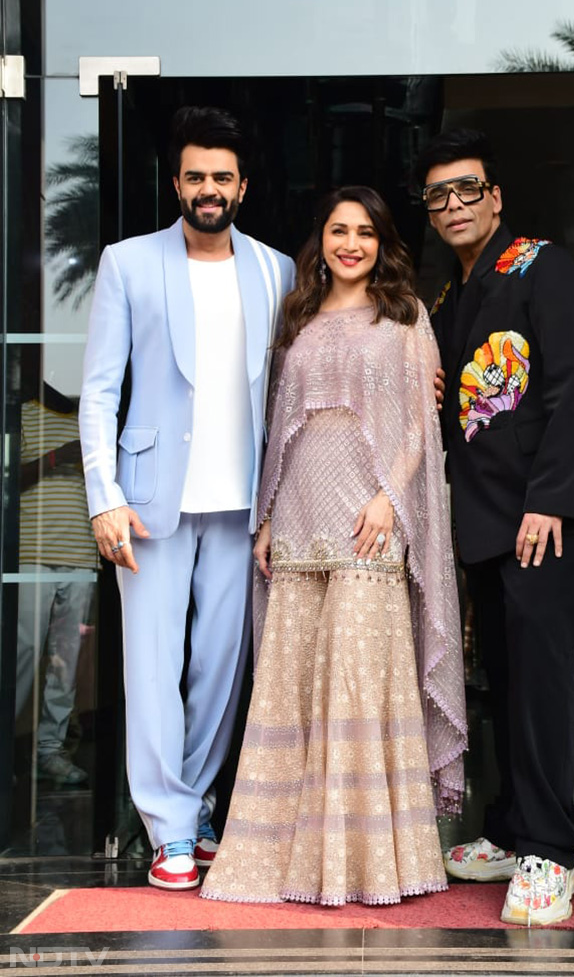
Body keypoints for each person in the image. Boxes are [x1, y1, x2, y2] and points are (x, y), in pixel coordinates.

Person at [200, 186, 468, 906]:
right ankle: (285, 860)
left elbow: (419, 424)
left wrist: (391, 496)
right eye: (337, 231)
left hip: (368, 518)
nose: (351, 243)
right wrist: (264, 520)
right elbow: (276, 428)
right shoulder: (298, 318)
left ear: (383, 243)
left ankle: (366, 865)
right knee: (292, 684)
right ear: (319, 242)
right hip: (296, 524)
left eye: (365, 232)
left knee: (354, 679)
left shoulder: (406, 318)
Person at [416, 128, 574, 926]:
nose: (454, 205)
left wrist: (548, 500)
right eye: (439, 195)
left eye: (468, 189)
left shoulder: (542, 266)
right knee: (505, 682)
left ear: (495, 196)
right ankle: (512, 829)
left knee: (542, 684)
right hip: (485, 523)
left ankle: (553, 849)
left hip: (549, 517)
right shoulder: (450, 295)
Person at [79, 107, 295, 890]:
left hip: (242, 505)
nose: (210, 189)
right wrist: (102, 497)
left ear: (243, 185)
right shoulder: (127, 263)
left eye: (223, 177)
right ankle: (168, 829)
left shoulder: (277, 270)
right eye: (196, 176)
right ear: (177, 182)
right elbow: (100, 392)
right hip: (147, 506)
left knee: (218, 672)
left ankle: (197, 801)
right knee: (151, 672)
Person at [16, 360, 96, 787]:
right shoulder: (23, 413)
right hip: (33, 553)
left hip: (82, 554)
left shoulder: (92, 418)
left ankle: (50, 751)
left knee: (65, 665)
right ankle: (10, 744)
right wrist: (56, 456)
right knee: (24, 653)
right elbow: (12, 479)